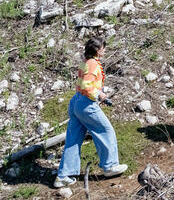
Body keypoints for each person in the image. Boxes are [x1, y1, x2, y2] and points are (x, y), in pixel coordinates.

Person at [54, 37, 127, 188]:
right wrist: (100, 95)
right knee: (105, 130)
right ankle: (110, 166)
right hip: (86, 104)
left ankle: (63, 176)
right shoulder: (93, 64)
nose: (105, 50)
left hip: (76, 101)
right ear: (98, 50)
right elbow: (87, 86)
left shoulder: (86, 61)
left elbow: (82, 84)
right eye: (103, 48)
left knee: (73, 139)